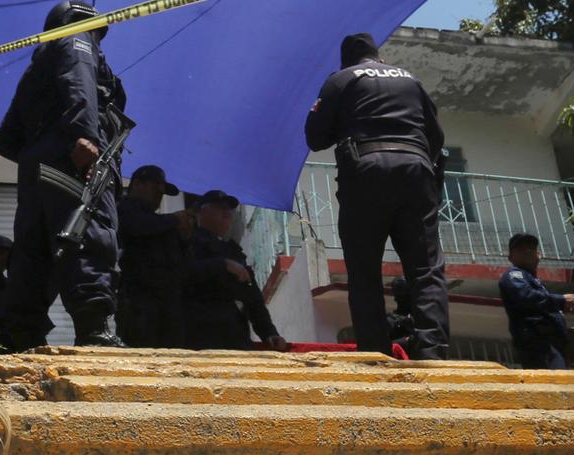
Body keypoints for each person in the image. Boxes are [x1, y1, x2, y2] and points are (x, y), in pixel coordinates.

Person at [304, 32, 450, 359]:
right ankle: (433, 354)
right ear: (379, 57)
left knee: (364, 269)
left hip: (365, 173)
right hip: (416, 170)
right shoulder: (410, 80)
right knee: (425, 268)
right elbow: (436, 137)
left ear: (346, 61)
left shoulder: (341, 80)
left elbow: (314, 137)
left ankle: (375, 353)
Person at [0, 0, 127, 349]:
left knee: (33, 252)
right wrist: (84, 135)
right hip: (74, 159)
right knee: (88, 235)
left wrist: (38, 155)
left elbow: (5, 140)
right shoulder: (77, 41)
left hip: (38, 170)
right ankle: (95, 331)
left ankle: (22, 338)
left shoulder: (37, 66)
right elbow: (79, 82)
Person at [183, 189, 287, 352]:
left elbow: (253, 299)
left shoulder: (233, 251)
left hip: (235, 337)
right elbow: (183, 274)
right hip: (201, 336)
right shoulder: (188, 242)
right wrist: (222, 265)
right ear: (202, 212)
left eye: (228, 208)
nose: (226, 212)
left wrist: (269, 333)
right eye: (219, 207)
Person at [116, 165, 192, 348]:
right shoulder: (124, 209)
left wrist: (185, 237)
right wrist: (174, 220)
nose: (159, 196)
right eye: (156, 189)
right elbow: (136, 226)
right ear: (137, 184)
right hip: (138, 301)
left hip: (167, 303)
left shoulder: (160, 223)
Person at [498, 233, 574, 370]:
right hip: (537, 344)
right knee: (554, 384)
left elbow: (538, 301)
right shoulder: (513, 275)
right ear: (510, 258)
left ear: (539, 254)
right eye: (521, 249)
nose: (527, 251)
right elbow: (526, 296)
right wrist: (561, 300)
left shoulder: (534, 281)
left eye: (531, 248)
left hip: (551, 345)